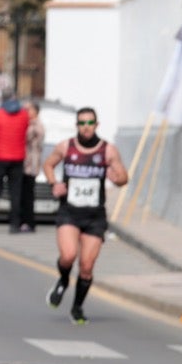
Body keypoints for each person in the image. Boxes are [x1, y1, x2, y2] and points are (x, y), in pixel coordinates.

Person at [43, 107, 129, 324]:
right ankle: (63, 281)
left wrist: (115, 177)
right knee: (68, 255)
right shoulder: (66, 146)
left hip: (94, 216)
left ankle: (77, 307)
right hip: (69, 212)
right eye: (82, 123)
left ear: (97, 125)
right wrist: (55, 184)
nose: (86, 127)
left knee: (87, 266)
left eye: (90, 123)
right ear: (77, 126)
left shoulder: (108, 150)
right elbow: (48, 164)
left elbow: (123, 178)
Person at [0, 93, 30, 233]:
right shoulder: (24, 115)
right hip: (18, 158)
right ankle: (14, 225)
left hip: (0, 157)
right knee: (15, 193)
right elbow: (26, 128)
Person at [19, 101, 45, 232]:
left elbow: (28, 138)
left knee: (28, 194)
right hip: (24, 163)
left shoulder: (36, 125)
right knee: (23, 194)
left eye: (28, 109)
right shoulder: (29, 123)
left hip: (30, 164)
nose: (25, 112)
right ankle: (23, 220)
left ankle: (29, 221)